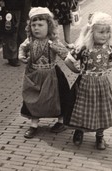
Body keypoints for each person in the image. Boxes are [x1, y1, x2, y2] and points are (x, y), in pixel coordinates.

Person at [63, 12, 112, 150]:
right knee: (82, 109)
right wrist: (76, 71)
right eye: (101, 32)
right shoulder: (83, 47)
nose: (105, 35)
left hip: (102, 84)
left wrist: (102, 71)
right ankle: (79, 131)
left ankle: (100, 136)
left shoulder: (109, 49)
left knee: (102, 110)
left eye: (107, 32)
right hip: (85, 84)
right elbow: (68, 60)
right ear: (91, 32)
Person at [18, 7, 72, 139]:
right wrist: (21, 55)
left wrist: (72, 61)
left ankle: (60, 121)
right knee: (33, 96)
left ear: (49, 25)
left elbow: (64, 54)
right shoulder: (30, 41)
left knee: (59, 97)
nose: (36, 28)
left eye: (40, 25)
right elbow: (22, 47)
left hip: (52, 75)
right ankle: (34, 124)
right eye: (33, 25)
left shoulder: (53, 42)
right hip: (34, 74)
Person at [0, 0, 31, 67]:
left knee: (23, 29)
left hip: (25, 3)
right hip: (11, 4)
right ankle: (11, 56)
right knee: (11, 28)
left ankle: (21, 52)